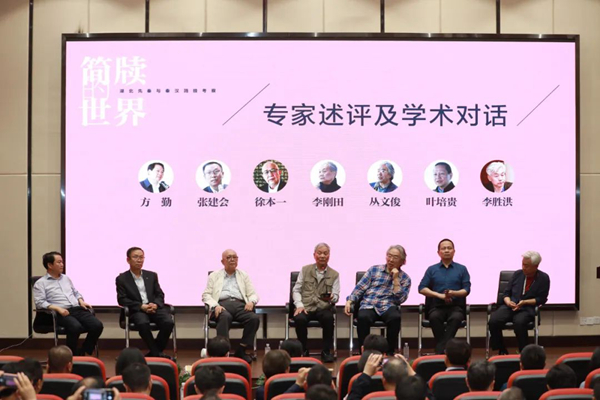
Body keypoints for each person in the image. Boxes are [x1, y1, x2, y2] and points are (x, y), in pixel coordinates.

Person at [33, 252, 104, 356]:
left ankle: (83, 351)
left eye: (62, 262)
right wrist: (58, 308)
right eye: (59, 262)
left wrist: (81, 300)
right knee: (75, 327)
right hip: (60, 312)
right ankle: (71, 355)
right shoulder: (41, 283)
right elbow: (40, 302)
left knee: (97, 325)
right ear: (50, 265)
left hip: (76, 308)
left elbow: (75, 292)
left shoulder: (66, 278)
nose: (62, 264)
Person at [345, 245, 411, 354]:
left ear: (402, 261)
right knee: (363, 317)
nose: (391, 260)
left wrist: (395, 279)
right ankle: (364, 352)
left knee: (395, 318)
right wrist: (350, 300)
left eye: (395, 257)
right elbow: (360, 288)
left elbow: (400, 299)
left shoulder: (405, 278)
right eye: (389, 256)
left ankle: (389, 352)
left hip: (388, 305)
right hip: (369, 303)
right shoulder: (374, 270)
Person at [202, 249, 260, 363]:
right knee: (225, 317)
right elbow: (206, 295)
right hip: (221, 305)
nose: (232, 259)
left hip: (240, 305)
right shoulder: (214, 275)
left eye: (234, 257)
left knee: (254, 319)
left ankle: (241, 350)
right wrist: (215, 306)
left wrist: (251, 302)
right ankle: (223, 353)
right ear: (222, 261)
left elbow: (253, 294)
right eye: (229, 257)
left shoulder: (243, 275)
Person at [116, 247, 175, 358]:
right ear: (128, 260)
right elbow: (122, 299)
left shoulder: (151, 275)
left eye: (141, 257)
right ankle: (157, 354)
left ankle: (154, 353)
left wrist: (155, 304)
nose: (139, 260)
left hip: (153, 307)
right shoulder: (122, 279)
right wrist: (141, 306)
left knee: (168, 322)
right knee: (142, 323)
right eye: (135, 257)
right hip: (137, 310)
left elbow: (159, 294)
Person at [488, 251, 550, 354]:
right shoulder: (518, 274)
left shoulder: (543, 278)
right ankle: (501, 349)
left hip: (527, 308)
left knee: (519, 323)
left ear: (536, 266)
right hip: (510, 306)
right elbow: (506, 293)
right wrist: (508, 302)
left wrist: (525, 302)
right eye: (523, 264)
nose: (523, 267)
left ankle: (523, 351)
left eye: (527, 265)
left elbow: (542, 299)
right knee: (493, 321)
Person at [418, 239, 471, 354]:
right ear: (438, 252)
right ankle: (446, 349)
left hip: (456, 307)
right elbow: (421, 288)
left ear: (454, 251)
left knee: (456, 318)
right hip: (436, 306)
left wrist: (453, 293)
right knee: (434, 317)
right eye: (443, 248)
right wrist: (439, 295)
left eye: (449, 248)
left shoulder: (462, 269)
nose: (446, 250)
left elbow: (466, 290)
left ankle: (440, 350)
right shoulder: (432, 269)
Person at [292, 243, 340, 362]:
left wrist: (333, 297)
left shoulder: (334, 274)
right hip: (306, 306)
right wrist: (299, 305)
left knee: (329, 318)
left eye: (325, 253)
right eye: (319, 253)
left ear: (329, 256)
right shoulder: (305, 270)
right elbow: (296, 290)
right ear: (314, 255)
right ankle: (303, 350)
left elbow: (336, 296)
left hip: (323, 308)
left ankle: (326, 351)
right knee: (299, 319)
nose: (322, 256)